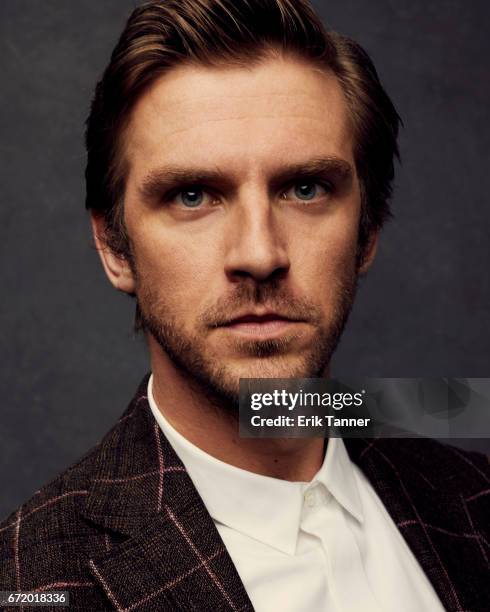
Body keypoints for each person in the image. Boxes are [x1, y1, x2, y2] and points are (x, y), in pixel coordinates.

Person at [1, 1, 488, 610]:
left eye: (305, 188)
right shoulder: (27, 580)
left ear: (367, 232)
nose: (259, 254)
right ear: (114, 247)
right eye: (192, 195)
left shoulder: (474, 494)